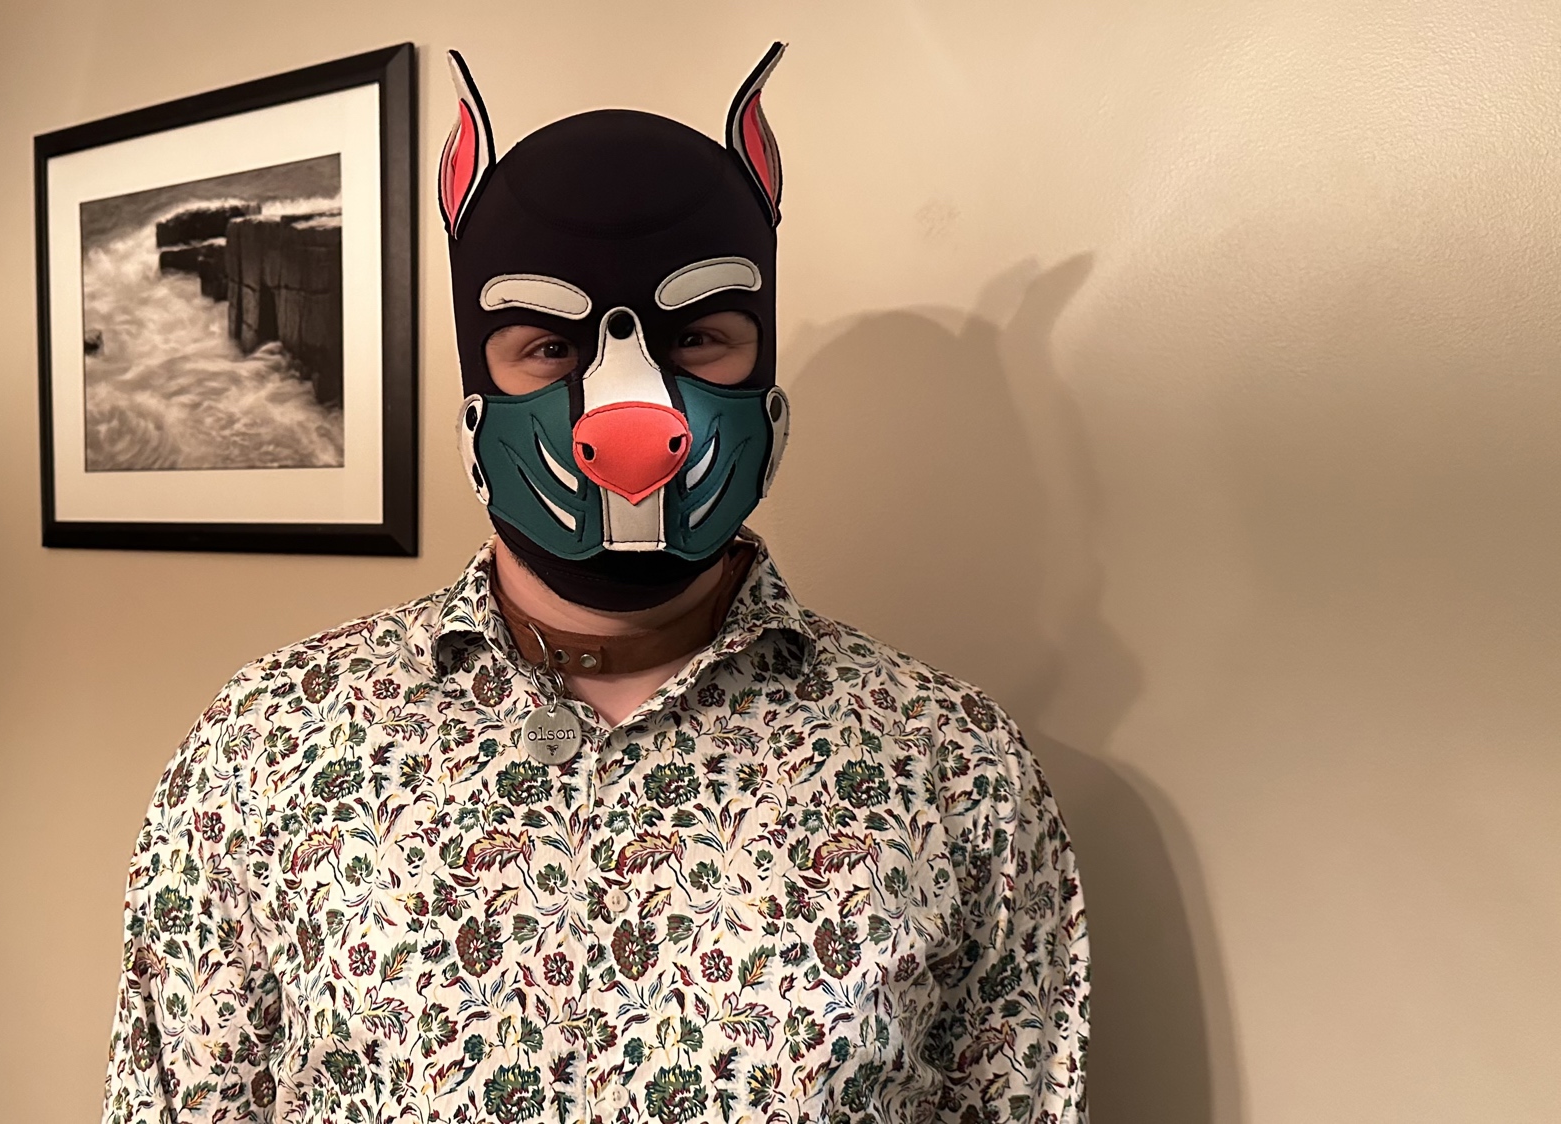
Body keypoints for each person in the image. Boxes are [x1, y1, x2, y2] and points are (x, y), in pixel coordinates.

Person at [103, 44, 1089, 1124]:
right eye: (548, 344)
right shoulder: (264, 748)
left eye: (697, 336)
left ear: (762, 374)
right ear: (476, 385)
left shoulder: (958, 770)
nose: (632, 416)